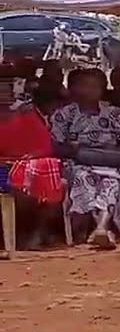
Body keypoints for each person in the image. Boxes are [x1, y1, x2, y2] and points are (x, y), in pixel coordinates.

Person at [49, 68, 120, 250]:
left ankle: (100, 227)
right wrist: (73, 150)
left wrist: (115, 155)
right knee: (84, 178)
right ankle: (99, 228)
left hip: (111, 163)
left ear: (102, 89)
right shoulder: (64, 115)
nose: (89, 91)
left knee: (112, 180)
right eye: (84, 85)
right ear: (73, 88)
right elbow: (55, 146)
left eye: (94, 86)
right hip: (78, 162)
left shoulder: (114, 113)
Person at [1, 76, 63, 253]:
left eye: (6, 88)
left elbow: (43, 146)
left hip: (24, 166)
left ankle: (35, 235)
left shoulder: (27, 114)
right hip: (4, 168)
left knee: (51, 180)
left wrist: (27, 159)